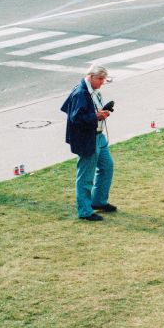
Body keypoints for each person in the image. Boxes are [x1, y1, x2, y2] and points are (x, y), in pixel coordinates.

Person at [60, 62, 116, 222]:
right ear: (91, 77)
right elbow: (75, 119)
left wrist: (100, 113)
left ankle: (98, 201)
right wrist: (96, 117)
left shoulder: (93, 91)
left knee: (107, 166)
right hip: (87, 139)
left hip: (98, 137)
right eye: (100, 79)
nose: (102, 83)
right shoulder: (80, 93)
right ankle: (85, 211)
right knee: (86, 176)